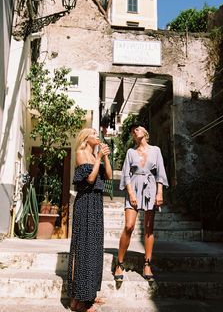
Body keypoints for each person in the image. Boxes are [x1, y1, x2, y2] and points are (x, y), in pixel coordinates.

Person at [114, 124, 168, 282]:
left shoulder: (156, 150)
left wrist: (160, 192)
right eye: (132, 130)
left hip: (151, 187)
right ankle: (119, 263)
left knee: (149, 228)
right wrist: (130, 193)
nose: (134, 131)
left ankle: (147, 264)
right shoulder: (131, 152)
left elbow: (160, 173)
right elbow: (125, 174)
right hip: (134, 186)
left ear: (145, 132)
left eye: (137, 128)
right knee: (129, 226)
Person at [67, 128, 112, 312]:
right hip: (85, 202)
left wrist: (105, 156)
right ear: (86, 138)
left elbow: (108, 176)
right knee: (83, 248)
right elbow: (91, 179)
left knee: (94, 248)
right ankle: (78, 299)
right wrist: (99, 158)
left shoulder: (96, 156)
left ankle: (89, 295)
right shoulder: (80, 153)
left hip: (96, 203)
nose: (97, 136)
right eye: (94, 134)